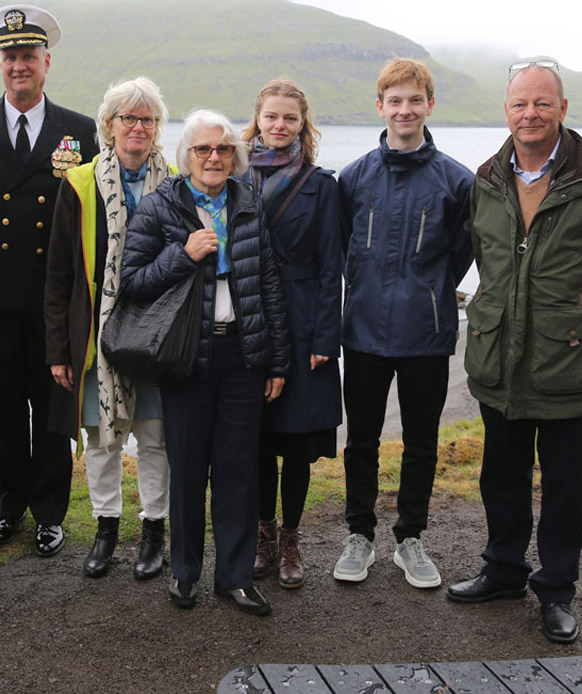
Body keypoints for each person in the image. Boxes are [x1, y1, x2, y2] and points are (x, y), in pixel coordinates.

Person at [446, 60, 582, 644]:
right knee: (500, 477)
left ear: (562, 108)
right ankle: (503, 571)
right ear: (505, 111)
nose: (529, 114)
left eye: (541, 103)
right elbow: (484, 259)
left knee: (564, 486)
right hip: (497, 361)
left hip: (569, 368)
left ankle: (557, 590)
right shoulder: (485, 179)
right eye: (518, 105)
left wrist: (581, 325)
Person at [120, 109, 290, 616]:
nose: (214, 158)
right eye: (203, 150)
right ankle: (185, 572)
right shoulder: (158, 207)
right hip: (186, 356)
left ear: (235, 157)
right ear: (187, 156)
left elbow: (269, 287)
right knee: (188, 469)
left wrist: (277, 361)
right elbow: (133, 281)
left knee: (238, 471)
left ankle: (235, 578)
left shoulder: (248, 203)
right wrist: (185, 254)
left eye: (222, 150)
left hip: (243, 353)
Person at [0, 5, 98, 557]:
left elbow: (96, 208)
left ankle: (50, 512)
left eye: (28, 57)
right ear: (0, 63)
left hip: (54, 298)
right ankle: (7, 505)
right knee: (6, 404)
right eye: (10, 57)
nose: (19, 66)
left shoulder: (80, 130)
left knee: (54, 405)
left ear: (47, 62)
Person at [334, 58, 474, 589]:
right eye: (395, 100)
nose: (405, 109)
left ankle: (410, 537)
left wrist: (428, 294)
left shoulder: (456, 181)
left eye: (415, 100)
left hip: (425, 335)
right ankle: (360, 536)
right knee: (362, 440)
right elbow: (345, 246)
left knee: (421, 441)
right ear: (380, 107)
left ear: (429, 106)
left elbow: (461, 254)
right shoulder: (354, 177)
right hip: (364, 331)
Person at [44, 77, 174, 580]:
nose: (137, 127)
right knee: (101, 439)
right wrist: (59, 350)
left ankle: (154, 532)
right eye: (128, 118)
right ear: (109, 126)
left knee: (155, 435)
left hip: (159, 333)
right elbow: (58, 276)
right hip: (97, 335)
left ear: (157, 128)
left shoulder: (178, 182)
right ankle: (105, 530)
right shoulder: (77, 183)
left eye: (147, 119)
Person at [240, 79, 342, 590]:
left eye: (290, 119)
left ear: (304, 125)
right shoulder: (234, 177)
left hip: (303, 325)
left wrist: (326, 338)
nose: (279, 126)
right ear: (256, 120)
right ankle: (262, 532)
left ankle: (292, 538)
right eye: (271, 117)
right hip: (248, 321)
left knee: (296, 441)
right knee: (257, 439)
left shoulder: (322, 186)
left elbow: (331, 268)